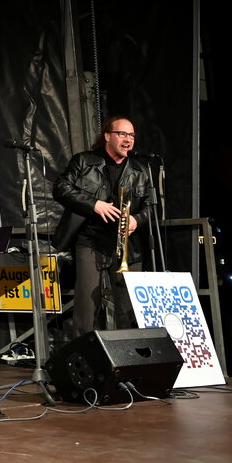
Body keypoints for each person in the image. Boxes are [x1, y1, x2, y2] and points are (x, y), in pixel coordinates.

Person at [53, 116, 153, 338]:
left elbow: (151, 206)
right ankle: (86, 361)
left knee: (127, 308)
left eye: (131, 135)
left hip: (128, 246)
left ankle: (127, 361)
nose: (128, 140)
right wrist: (94, 205)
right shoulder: (85, 161)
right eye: (122, 134)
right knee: (87, 307)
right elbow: (60, 188)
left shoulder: (140, 169)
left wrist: (138, 219)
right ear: (107, 136)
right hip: (91, 241)